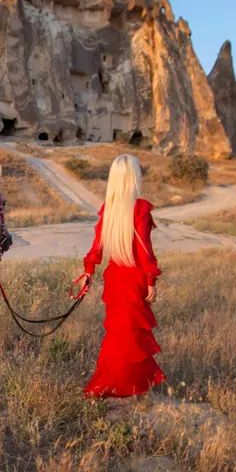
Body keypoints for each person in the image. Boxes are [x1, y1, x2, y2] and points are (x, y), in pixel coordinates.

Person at [78, 153, 165, 398]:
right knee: (131, 335)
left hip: (114, 279)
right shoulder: (139, 209)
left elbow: (97, 248)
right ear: (133, 177)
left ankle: (120, 383)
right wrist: (151, 280)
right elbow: (145, 251)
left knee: (118, 334)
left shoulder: (109, 209)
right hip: (133, 278)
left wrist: (88, 272)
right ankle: (124, 385)